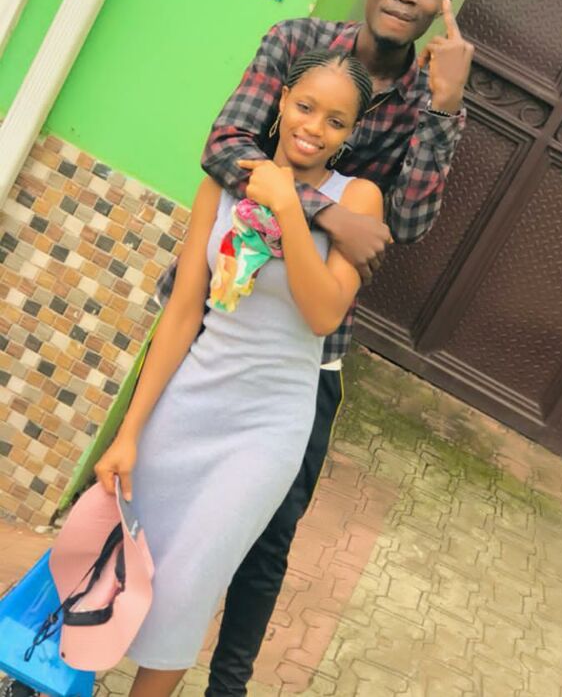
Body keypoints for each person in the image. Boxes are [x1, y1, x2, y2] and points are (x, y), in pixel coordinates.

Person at [155, 0, 474, 697]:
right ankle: (68, 647)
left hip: (306, 342)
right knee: (140, 488)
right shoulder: (296, 43)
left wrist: (444, 107)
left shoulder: (429, 97)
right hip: (213, 310)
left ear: (442, 3)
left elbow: (404, 224)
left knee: (269, 533)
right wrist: (327, 212)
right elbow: (226, 146)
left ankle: (226, 685)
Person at [93, 50, 383, 697]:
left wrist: (290, 207)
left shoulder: (357, 200)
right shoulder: (224, 183)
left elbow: (323, 313)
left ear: (351, 132)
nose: (314, 127)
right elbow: (182, 314)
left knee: (188, 587)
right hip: (188, 403)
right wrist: (129, 432)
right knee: (115, 568)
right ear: (281, 101)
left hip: (267, 427)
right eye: (305, 106)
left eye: (336, 121)